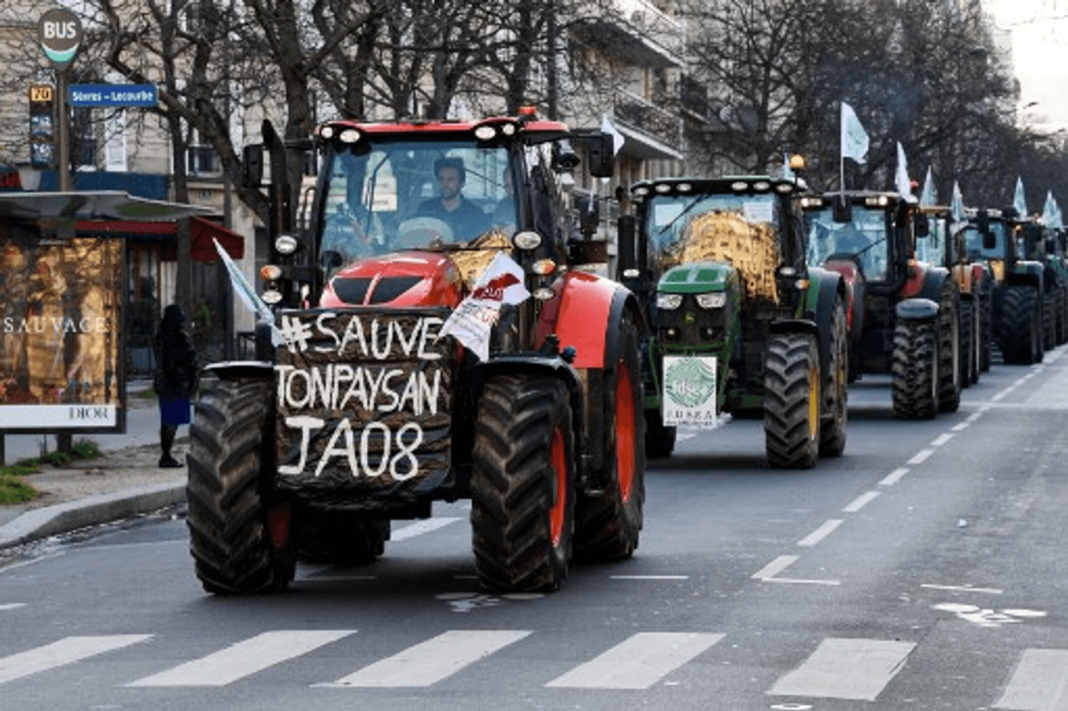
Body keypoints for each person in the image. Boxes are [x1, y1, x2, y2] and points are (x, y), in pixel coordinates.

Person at [153, 304, 198, 468]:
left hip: (175, 383)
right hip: (172, 383)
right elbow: (179, 358)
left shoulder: (168, 336)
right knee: (170, 422)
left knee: (171, 421)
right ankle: (165, 456)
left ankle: (166, 455)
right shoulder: (169, 338)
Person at [416, 157, 491, 242]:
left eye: (450, 179)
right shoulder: (425, 210)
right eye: (441, 179)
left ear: (462, 183)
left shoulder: (476, 215)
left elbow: (484, 246)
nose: (445, 184)